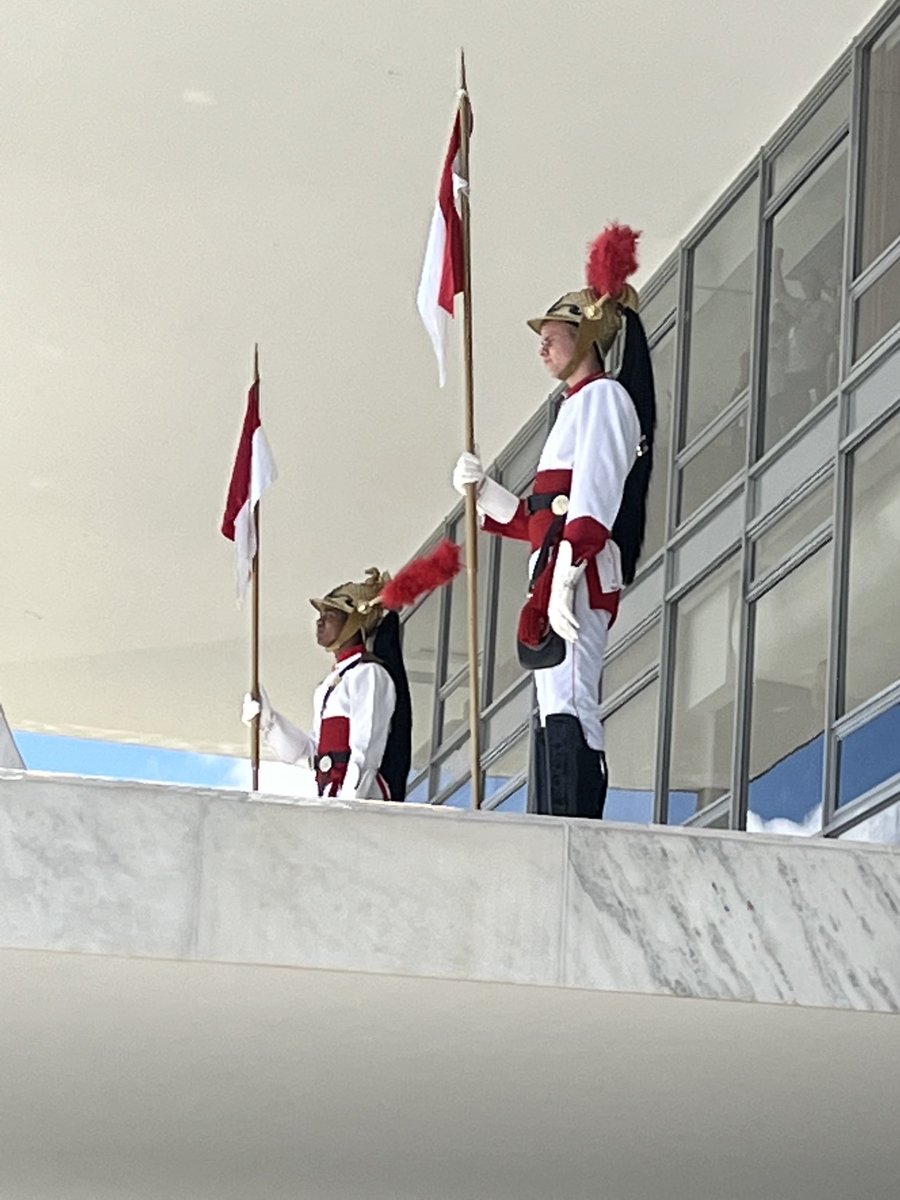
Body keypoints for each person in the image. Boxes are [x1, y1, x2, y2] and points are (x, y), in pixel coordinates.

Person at [452, 223, 655, 820]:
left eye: (553, 335)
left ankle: (571, 825)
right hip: (554, 568)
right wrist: (483, 492)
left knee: (569, 698)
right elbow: (538, 517)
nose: (542, 346)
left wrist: (568, 569)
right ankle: (551, 818)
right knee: (551, 701)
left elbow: (593, 495)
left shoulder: (605, 399)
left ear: (587, 334)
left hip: (577, 572)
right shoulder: (571, 407)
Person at [243, 568, 412, 801]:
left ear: (354, 621)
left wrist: (348, 804)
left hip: (363, 804)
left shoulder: (369, 674)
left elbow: (366, 752)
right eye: (321, 615)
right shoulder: (328, 685)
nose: (320, 621)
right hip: (331, 799)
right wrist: (269, 722)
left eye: (331, 615)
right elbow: (311, 754)